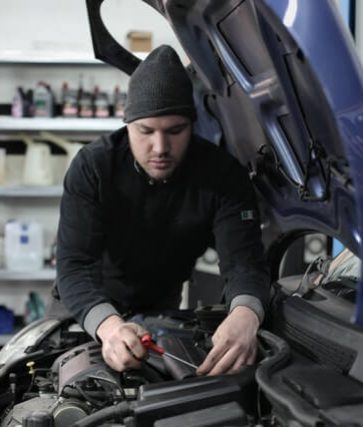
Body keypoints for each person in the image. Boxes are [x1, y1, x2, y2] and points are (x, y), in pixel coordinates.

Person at [55, 44, 270, 376]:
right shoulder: (94, 167)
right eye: (146, 131)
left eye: (175, 131)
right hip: (86, 308)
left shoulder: (222, 175)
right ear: (127, 125)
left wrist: (245, 314)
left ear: (191, 125)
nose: (160, 148)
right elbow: (73, 266)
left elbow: (244, 262)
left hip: (160, 311)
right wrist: (110, 327)